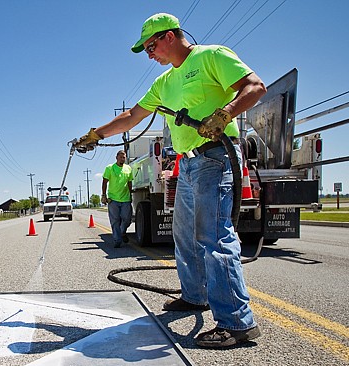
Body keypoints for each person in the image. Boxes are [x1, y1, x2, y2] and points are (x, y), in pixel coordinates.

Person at [73, 13, 267, 348]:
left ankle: (237, 323)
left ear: (171, 36)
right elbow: (134, 115)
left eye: (151, 46)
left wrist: (224, 114)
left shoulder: (211, 56)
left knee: (213, 238)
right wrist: (96, 134)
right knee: (185, 237)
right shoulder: (164, 83)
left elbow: (255, 87)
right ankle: (195, 296)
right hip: (187, 164)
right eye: (146, 49)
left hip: (215, 157)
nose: (149, 54)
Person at [102, 150, 133, 248]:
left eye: (124, 157)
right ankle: (117, 240)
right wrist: (103, 195)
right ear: (116, 157)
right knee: (115, 220)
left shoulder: (128, 168)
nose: (122, 159)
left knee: (127, 219)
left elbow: (129, 182)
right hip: (113, 199)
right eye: (120, 157)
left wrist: (130, 194)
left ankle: (122, 231)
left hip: (125, 199)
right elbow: (104, 182)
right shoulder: (110, 168)